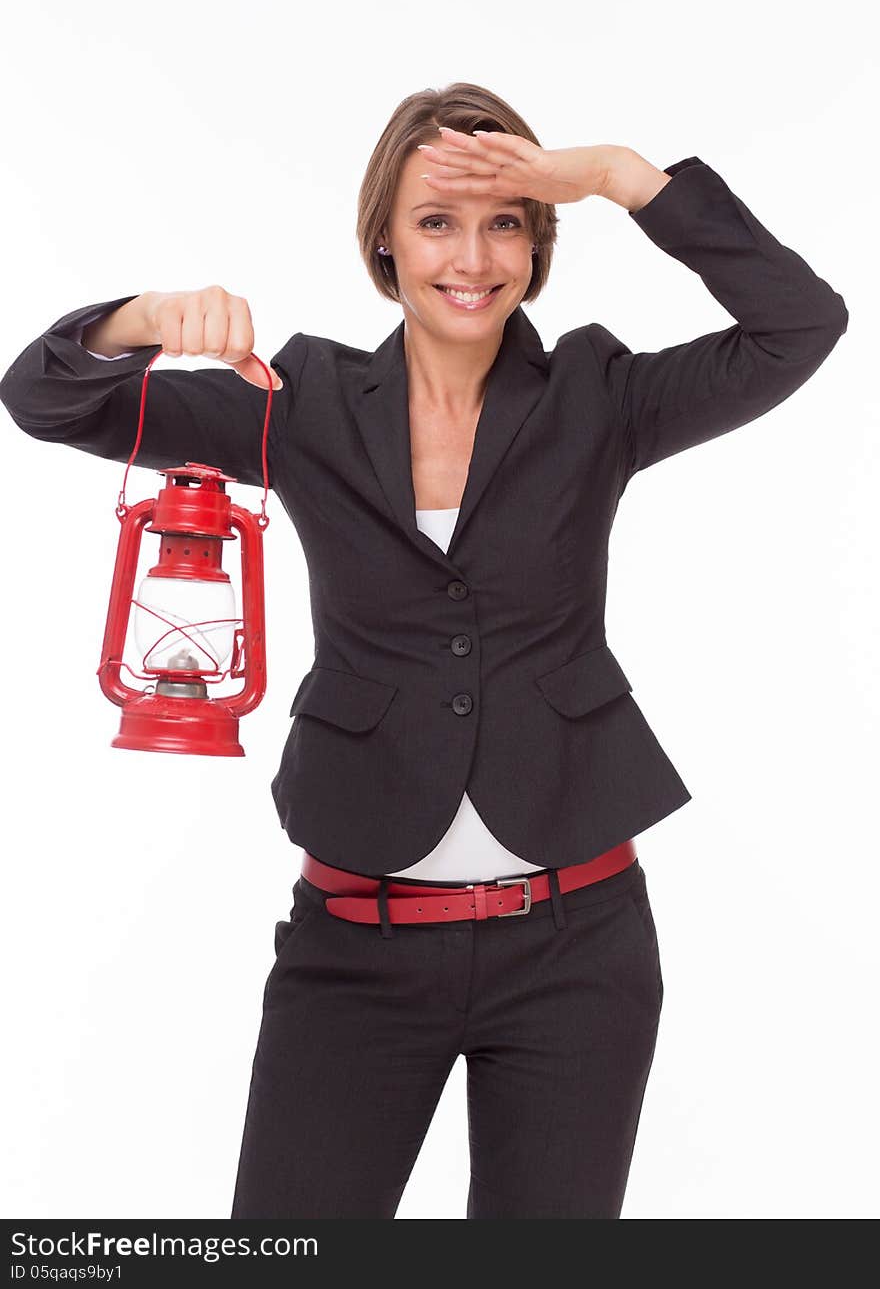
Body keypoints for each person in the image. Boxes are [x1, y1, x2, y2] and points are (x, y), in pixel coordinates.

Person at [0, 82, 848, 1219]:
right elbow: (43, 403)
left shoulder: (597, 396)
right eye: (437, 220)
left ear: (539, 241)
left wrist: (617, 177)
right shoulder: (292, 403)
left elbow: (801, 322)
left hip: (577, 951)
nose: (473, 255)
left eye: (505, 218)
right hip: (355, 948)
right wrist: (136, 322)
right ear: (385, 244)